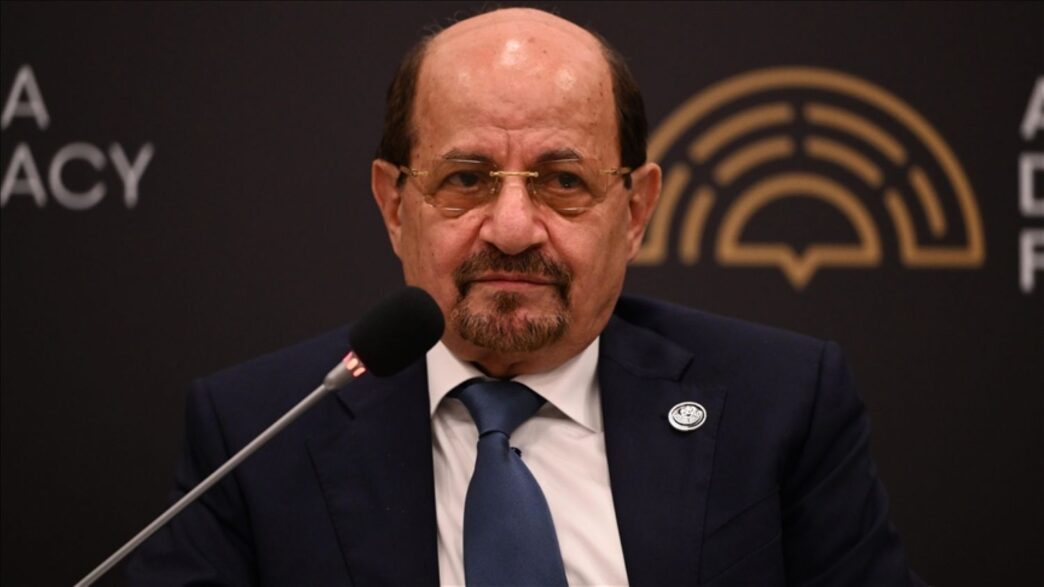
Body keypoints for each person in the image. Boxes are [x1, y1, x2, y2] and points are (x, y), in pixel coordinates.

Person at [129, 7, 923, 586]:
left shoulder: (780, 403)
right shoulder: (258, 432)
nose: (512, 228)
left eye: (564, 181)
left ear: (636, 210)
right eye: (466, 178)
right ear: (394, 204)